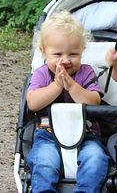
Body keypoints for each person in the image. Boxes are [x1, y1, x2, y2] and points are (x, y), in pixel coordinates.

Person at [26, 11, 109, 193]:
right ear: (43, 52)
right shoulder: (41, 74)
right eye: (57, 54)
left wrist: (72, 86)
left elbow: (94, 102)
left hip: (86, 135)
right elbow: (33, 103)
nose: (65, 60)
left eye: (73, 54)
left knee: (96, 159)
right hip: (49, 135)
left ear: (82, 51)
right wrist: (56, 85)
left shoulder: (86, 73)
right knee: (44, 161)